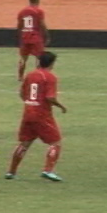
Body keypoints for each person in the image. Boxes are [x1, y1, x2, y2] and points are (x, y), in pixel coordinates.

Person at [6, 51, 67, 182]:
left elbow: (22, 94)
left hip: (28, 112)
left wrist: (30, 104)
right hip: (42, 114)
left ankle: (11, 171)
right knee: (55, 142)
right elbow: (50, 97)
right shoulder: (50, 77)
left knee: (24, 143)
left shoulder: (30, 75)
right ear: (51, 63)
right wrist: (61, 106)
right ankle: (48, 170)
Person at [17, 0, 50, 82]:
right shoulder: (39, 11)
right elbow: (42, 24)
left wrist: (21, 36)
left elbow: (19, 25)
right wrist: (46, 35)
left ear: (29, 1)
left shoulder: (22, 12)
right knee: (38, 58)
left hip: (25, 37)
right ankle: (38, 76)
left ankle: (20, 76)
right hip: (36, 37)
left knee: (23, 58)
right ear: (38, 1)